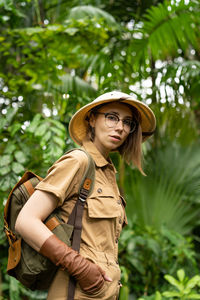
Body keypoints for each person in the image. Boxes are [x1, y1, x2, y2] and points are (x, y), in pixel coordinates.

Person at [15, 91, 156, 300]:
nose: (120, 127)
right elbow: (26, 221)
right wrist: (81, 268)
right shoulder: (79, 161)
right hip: (76, 290)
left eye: (128, 122)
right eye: (112, 117)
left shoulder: (107, 173)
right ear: (92, 119)